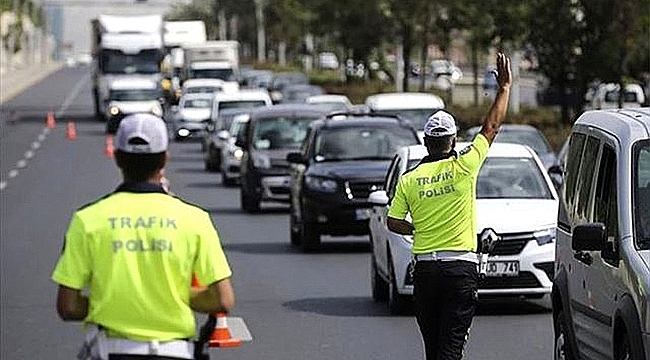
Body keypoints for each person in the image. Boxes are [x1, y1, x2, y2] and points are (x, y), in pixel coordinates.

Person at [51, 113, 235, 360]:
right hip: (175, 352)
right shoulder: (194, 220)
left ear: (117, 158)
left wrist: (110, 302)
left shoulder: (87, 220)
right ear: (164, 159)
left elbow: (68, 306)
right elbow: (222, 300)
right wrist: (173, 296)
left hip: (111, 352)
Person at [386, 52, 512, 360]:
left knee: (434, 350)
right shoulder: (465, 166)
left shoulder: (410, 179)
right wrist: (504, 89)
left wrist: (416, 228)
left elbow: (392, 221)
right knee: (451, 349)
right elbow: (491, 127)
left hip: (426, 272)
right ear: (453, 141)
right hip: (460, 271)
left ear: (426, 142)